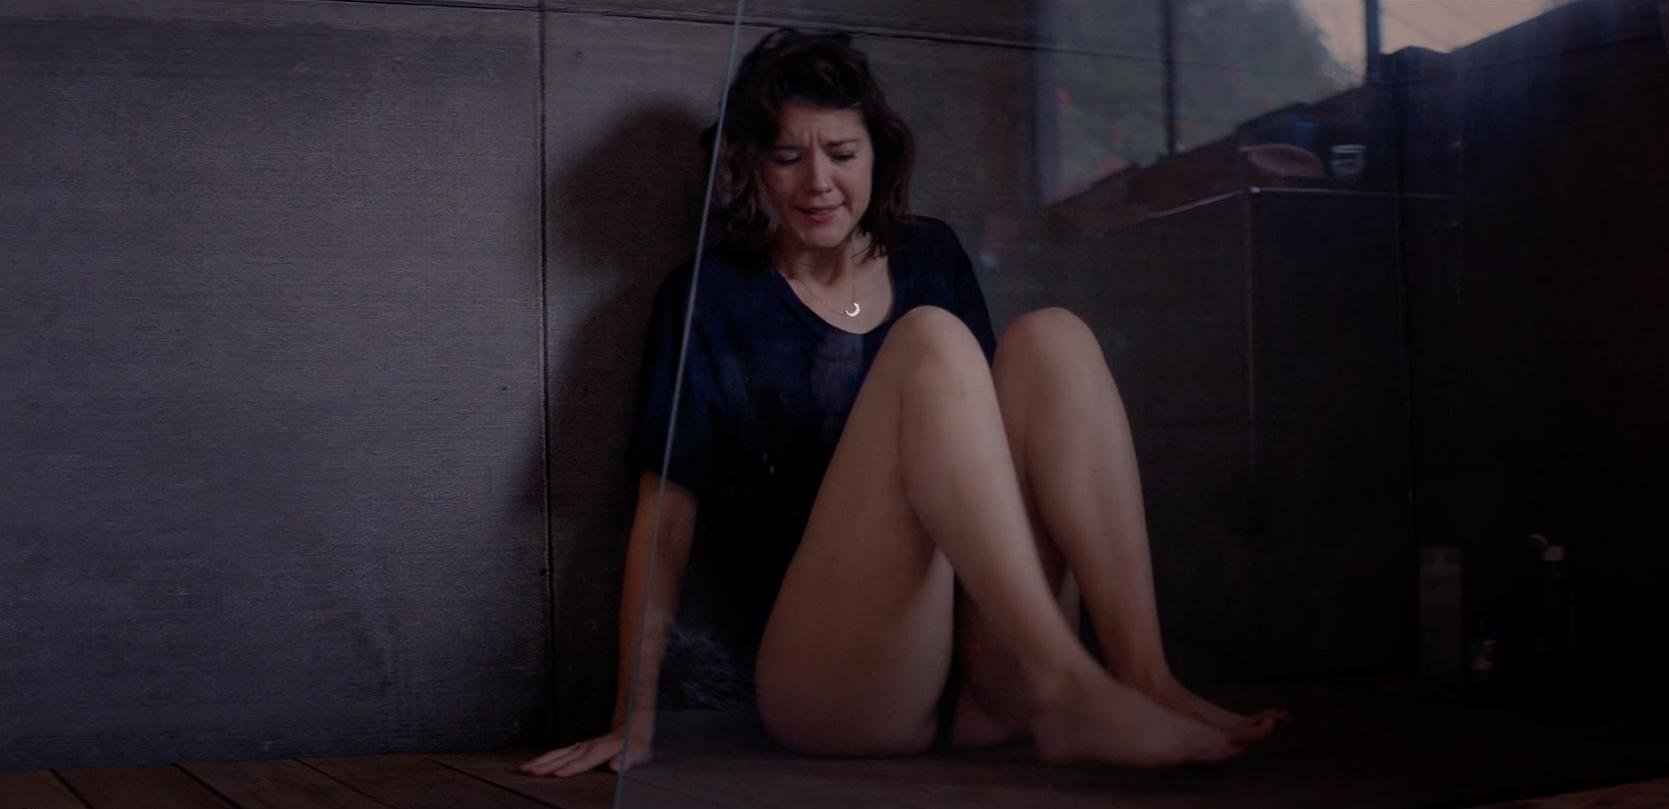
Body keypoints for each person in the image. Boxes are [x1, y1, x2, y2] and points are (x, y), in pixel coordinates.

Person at [519, 28, 1282, 777]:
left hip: (985, 677)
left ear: (877, 155)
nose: (819, 182)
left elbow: (994, 462)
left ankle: (1143, 677)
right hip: (838, 682)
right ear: (750, 166)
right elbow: (665, 525)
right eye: (788, 157)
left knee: (1054, 337)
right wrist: (633, 714)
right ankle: (1070, 689)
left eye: (842, 153)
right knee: (930, 341)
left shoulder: (930, 256)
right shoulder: (710, 298)